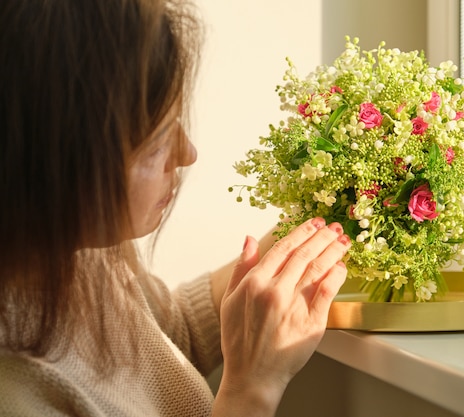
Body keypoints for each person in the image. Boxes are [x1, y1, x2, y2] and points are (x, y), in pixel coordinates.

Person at [0, 0, 351, 416]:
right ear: (62, 160)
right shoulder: (16, 389)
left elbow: (170, 338)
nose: (187, 153)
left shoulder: (85, 257)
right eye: (159, 140)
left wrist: (310, 229)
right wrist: (252, 388)